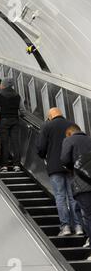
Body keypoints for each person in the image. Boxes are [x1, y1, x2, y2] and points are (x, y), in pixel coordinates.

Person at [38, 108, 83, 237]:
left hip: (54, 167)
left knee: (60, 197)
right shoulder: (72, 125)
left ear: (50, 116)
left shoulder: (47, 126)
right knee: (73, 196)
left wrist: (44, 155)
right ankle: (79, 226)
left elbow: (41, 147)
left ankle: (66, 227)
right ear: (61, 114)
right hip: (71, 167)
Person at [61, 124, 91, 252]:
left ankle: (90, 238)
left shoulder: (69, 140)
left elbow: (64, 159)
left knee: (86, 213)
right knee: (79, 209)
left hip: (81, 183)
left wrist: (71, 168)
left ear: (69, 133)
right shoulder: (89, 139)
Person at [0, 78, 26, 173]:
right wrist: (17, 114)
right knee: (15, 142)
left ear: (3, 84)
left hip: (3, 121)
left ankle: (4, 165)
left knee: (4, 142)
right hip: (15, 121)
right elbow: (23, 111)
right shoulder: (17, 95)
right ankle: (16, 165)